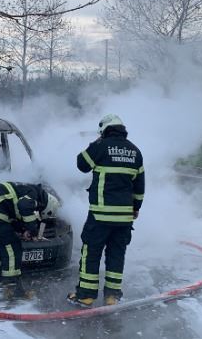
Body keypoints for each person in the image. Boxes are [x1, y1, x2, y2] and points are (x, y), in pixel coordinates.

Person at [67, 114, 144, 307]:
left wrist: (96, 142)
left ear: (104, 130)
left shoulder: (100, 146)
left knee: (91, 253)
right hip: (124, 217)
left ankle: (86, 295)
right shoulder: (135, 151)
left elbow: (81, 164)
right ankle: (112, 296)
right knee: (116, 255)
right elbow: (140, 186)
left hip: (100, 215)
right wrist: (136, 208)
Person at [0, 181, 60, 299]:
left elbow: (13, 214)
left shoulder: (26, 190)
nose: (37, 213)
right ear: (47, 207)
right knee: (13, 248)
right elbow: (23, 206)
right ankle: (13, 291)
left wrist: (23, 231)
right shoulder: (34, 194)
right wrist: (32, 231)